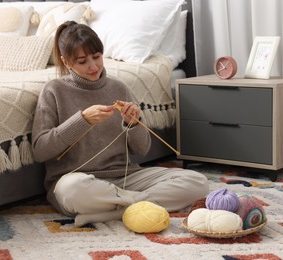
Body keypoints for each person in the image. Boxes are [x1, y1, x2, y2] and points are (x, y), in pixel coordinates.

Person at [31, 21, 209, 227]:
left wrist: (134, 124)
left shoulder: (119, 88)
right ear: (66, 62)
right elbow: (41, 150)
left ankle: (111, 212)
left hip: (125, 177)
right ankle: (134, 203)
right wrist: (83, 120)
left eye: (97, 57)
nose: (93, 66)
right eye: (82, 61)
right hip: (79, 183)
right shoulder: (54, 90)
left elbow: (142, 150)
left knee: (197, 183)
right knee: (71, 190)